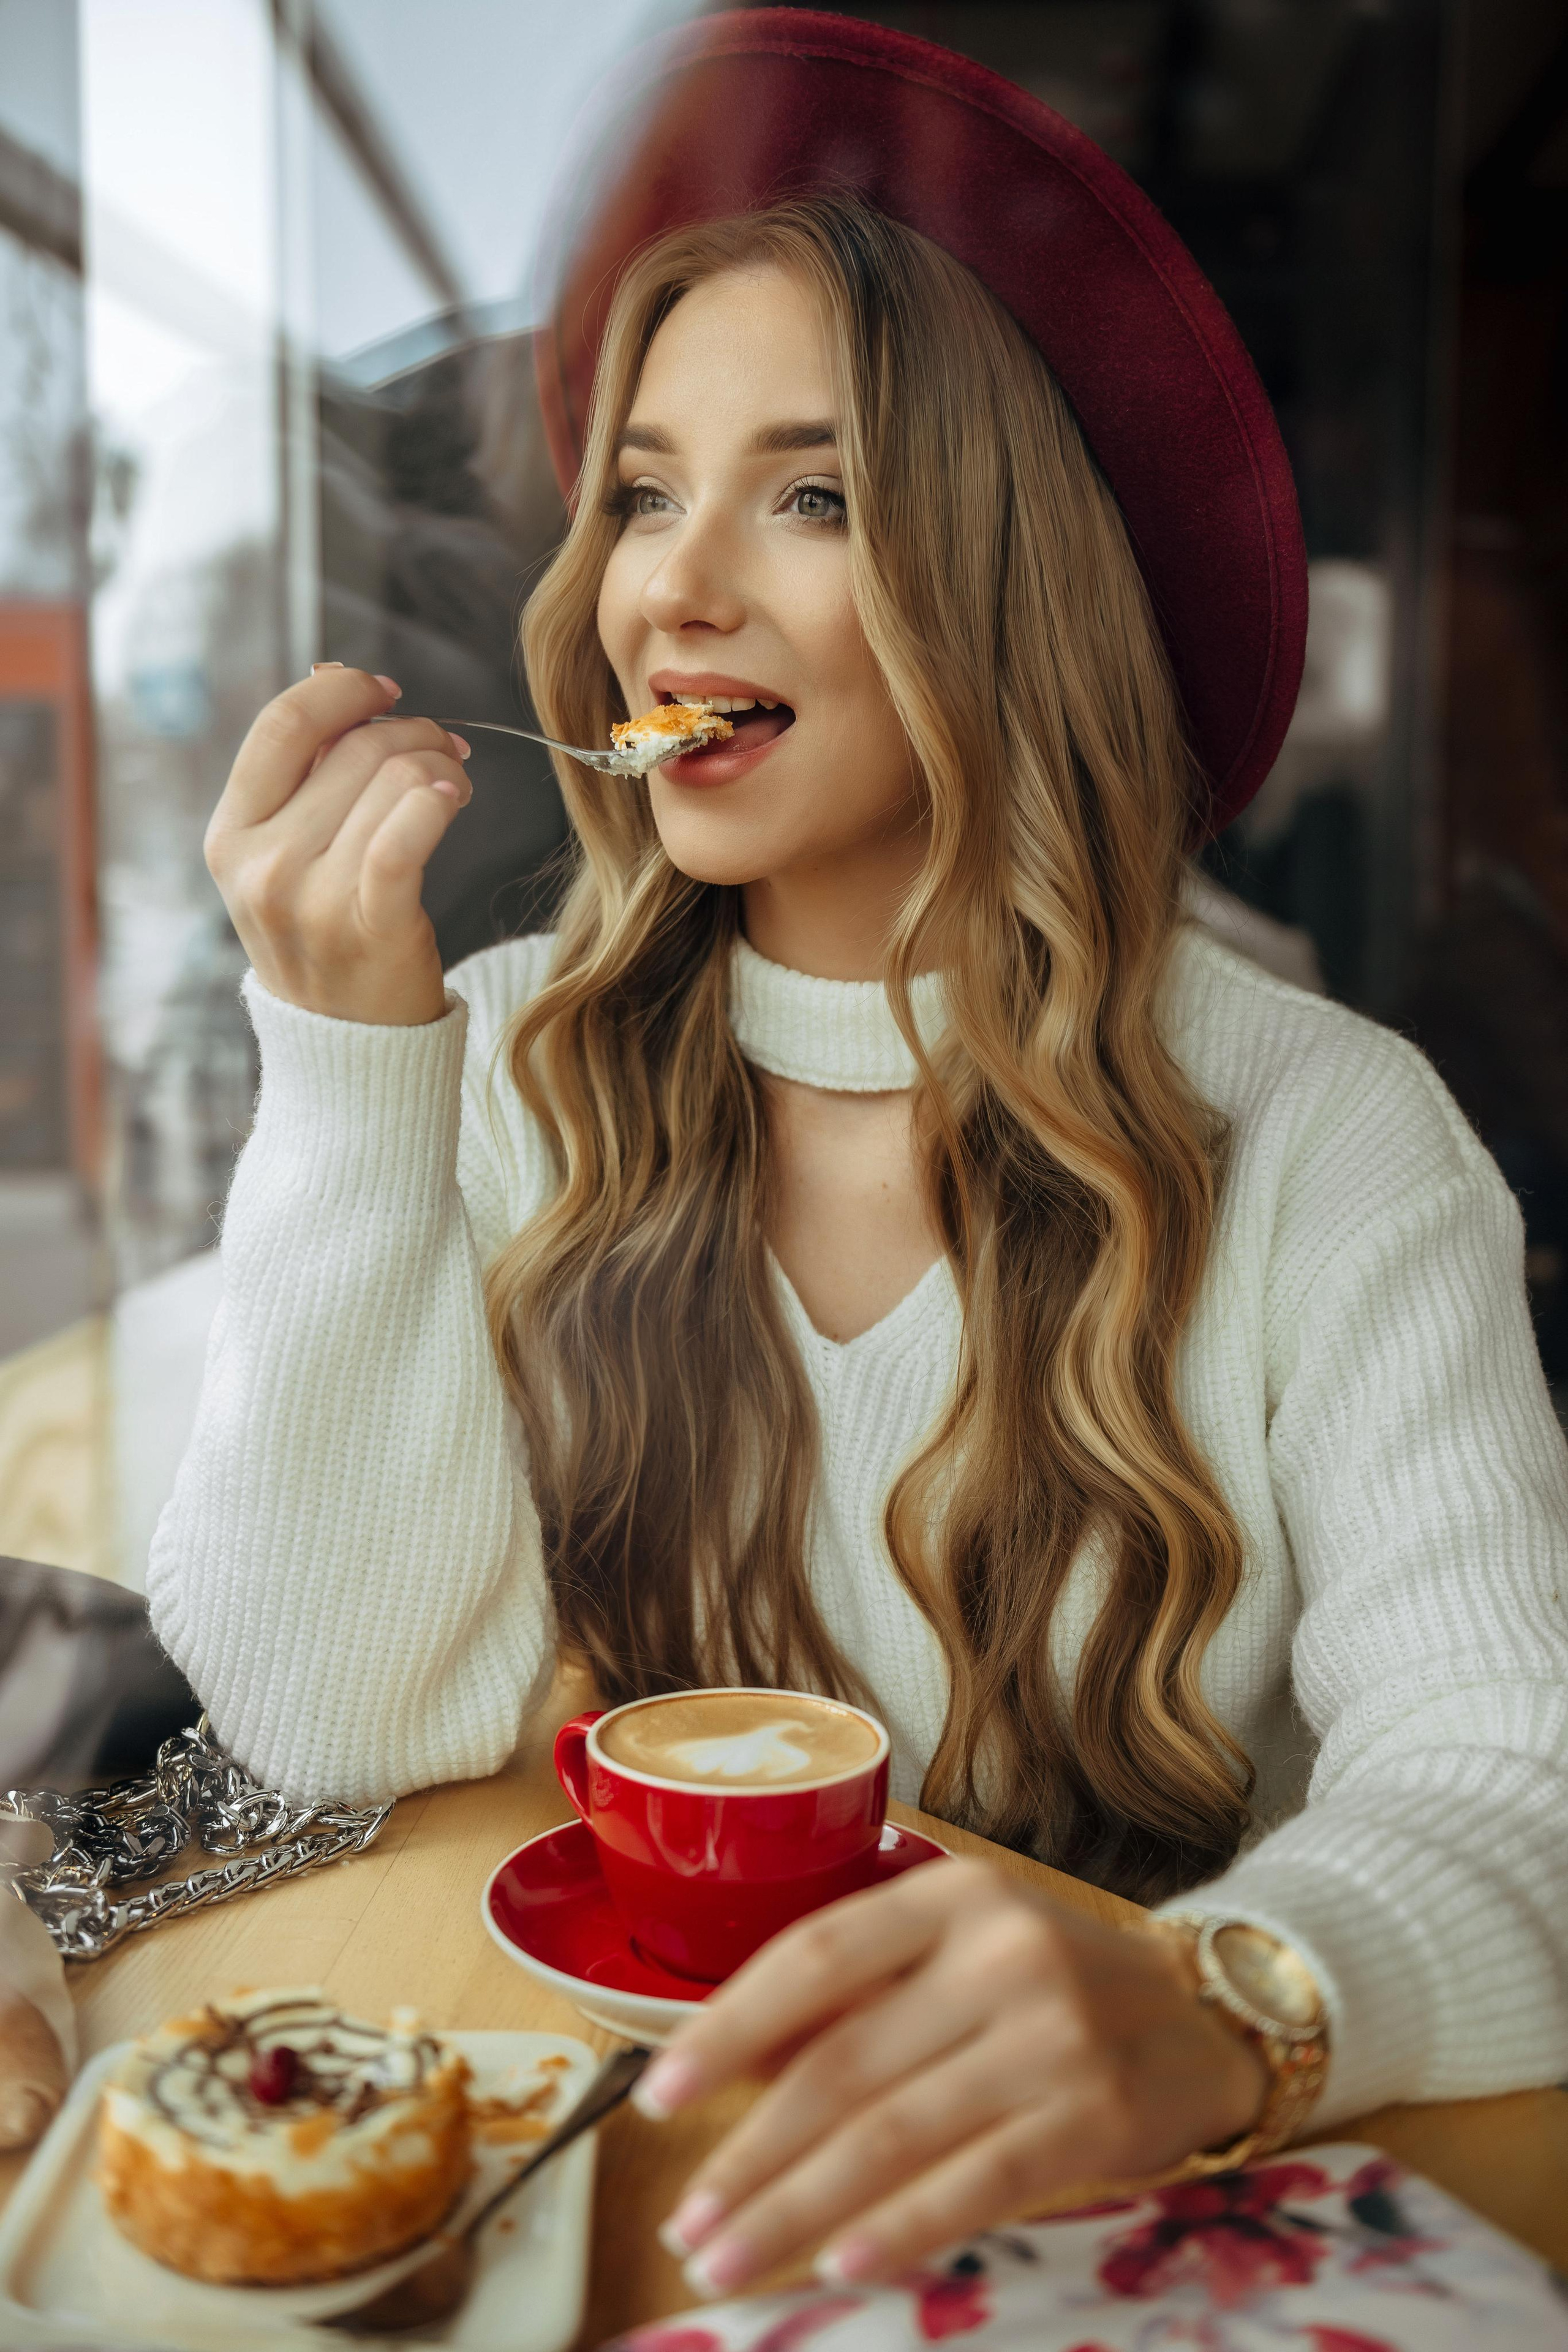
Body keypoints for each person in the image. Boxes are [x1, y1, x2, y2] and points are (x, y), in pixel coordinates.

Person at [150, 12, 1568, 2302]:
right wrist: (336, 1067)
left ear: (1003, 582)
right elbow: (330, 1720)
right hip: (620, 2184)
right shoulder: (482, 1061)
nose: (674, 587)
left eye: (809, 493)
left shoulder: (1329, 1130)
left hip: (1117, 2214)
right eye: (641, 490)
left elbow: (1527, 1779)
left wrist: (1231, 2003)